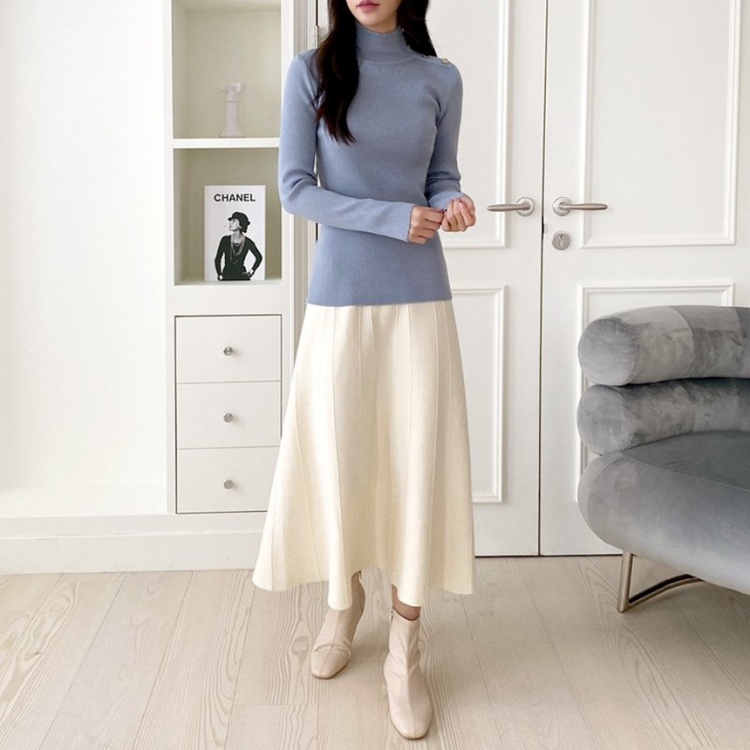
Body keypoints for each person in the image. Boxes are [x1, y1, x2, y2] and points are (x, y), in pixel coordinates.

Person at [252, 0, 476, 739]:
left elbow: (440, 176)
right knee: (340, 457)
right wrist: (391, 216)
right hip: (340, 296)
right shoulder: (311, 73)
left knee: (416, 465)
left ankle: (406, 647)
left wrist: (453, 201)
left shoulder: (440, 78)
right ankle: (342, 604)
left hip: (420, 300)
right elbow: (295, 188)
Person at [214, 211, 263, 280]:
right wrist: (219, 274)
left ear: (240, 225)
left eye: (234, 221)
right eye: (230, 220)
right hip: (226, 276)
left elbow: (259, 257)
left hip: (242, 277)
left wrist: (251, 272)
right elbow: (218, 258)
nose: (230, 222)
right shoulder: (225, 240)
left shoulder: (248, 242)